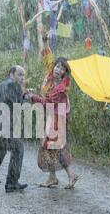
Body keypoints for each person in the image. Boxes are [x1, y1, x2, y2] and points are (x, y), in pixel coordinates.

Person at [26, 57, 80, 189]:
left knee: (49, 146)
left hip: (57, 119)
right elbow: (46, 57)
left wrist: (32, 97)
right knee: (56, 147)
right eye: (57, 66)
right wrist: (44, 41)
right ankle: (66, 175)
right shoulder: (51, 80)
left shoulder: (61, 88)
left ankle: (55, 177)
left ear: (65, 72)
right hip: (54, 117)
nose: (58, 69)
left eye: (62, 68)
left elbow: (48, 103)